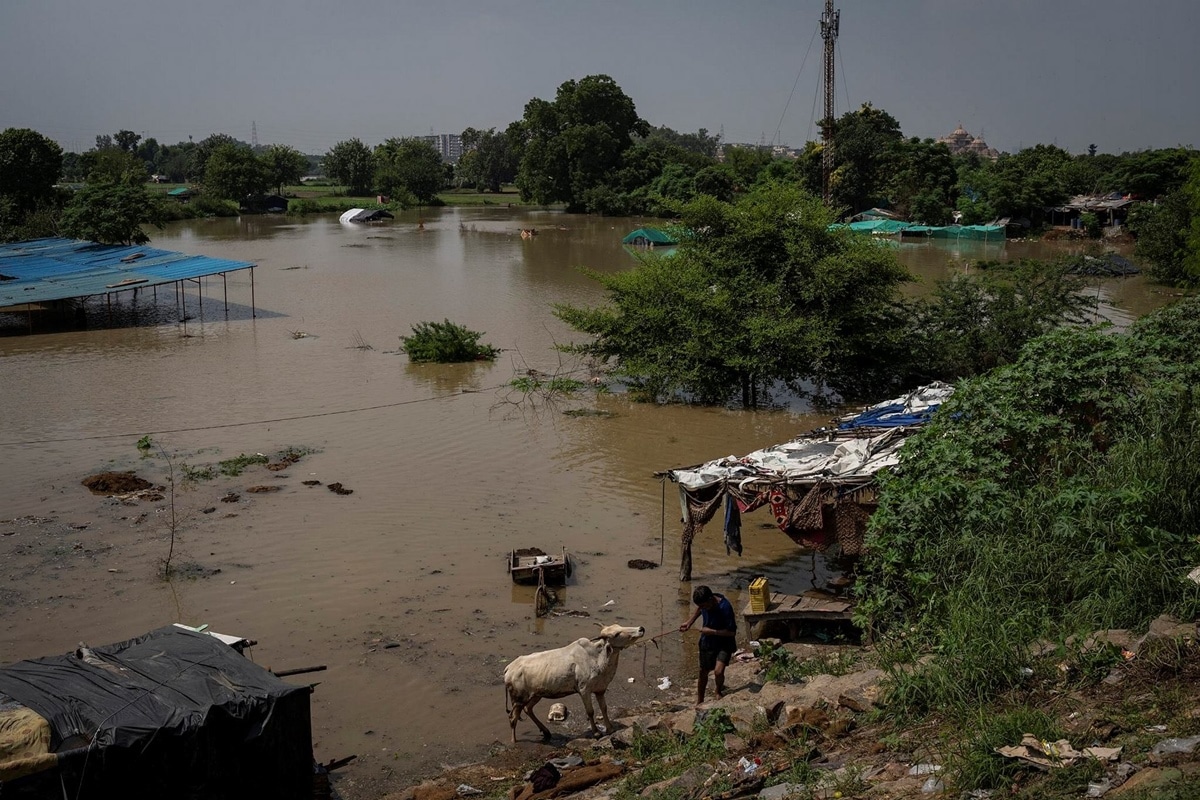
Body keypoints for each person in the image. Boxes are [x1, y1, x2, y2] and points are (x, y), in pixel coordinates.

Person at [679, 585, 737, 704]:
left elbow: (732, 632)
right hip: (707, 642)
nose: (703, 608)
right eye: (701, 606)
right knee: (703, 671)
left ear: (711, 600)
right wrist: (690, 622)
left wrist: (711, 631)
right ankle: (700, 700)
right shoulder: (704, 603)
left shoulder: (725, 607)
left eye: (705, 605)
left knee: (718, 671)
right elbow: (699, 609)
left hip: (724, 642)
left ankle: (718, 690)